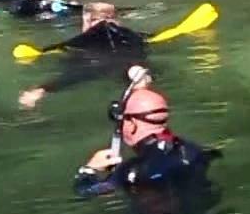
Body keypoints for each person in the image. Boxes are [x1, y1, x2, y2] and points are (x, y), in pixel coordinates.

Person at [74, 72, 220, 198]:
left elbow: (86, 192)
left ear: (132, 124)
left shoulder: (131, 171)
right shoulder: (197, 151)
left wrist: (89, 169)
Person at [18, 1, 148, 108]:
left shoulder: (86, 38)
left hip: (98, 66)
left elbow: (65, 55)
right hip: (132, 62)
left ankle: (40, 91)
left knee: (75, 68)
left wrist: (43, 87)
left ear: (87, 19)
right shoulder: (133, 35)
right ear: (116, 19)